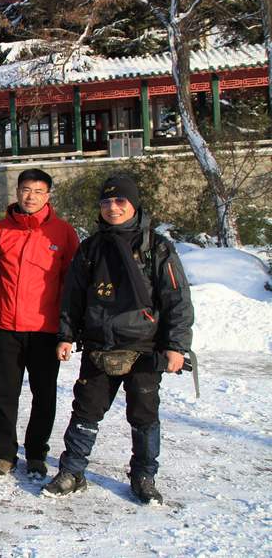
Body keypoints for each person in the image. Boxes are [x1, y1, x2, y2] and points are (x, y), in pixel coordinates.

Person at [43, 176, 193, 504]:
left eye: (120, 201)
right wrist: (66, 335)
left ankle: (144, 476)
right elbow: (73, 297)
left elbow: (177, 299)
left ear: (134, 204)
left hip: (145, 347)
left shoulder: (157, 246)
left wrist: (177, 345)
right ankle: (72, 471)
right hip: (99, 345)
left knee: (144, 415)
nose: (112, 207)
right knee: (85, 412)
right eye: (106, 202)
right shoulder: (91, 248)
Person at [0, 169, 79, 480]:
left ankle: (36, 453)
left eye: (38, 191)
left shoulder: (63, 233)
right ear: (17, 191)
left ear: (47, 195)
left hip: (46, 329)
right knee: (4, 393)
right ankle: (4, 453)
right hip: (6, 327)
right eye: (26, 189)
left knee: (44, 395)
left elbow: (72, 284)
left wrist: (69, 328)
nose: (30, 196)